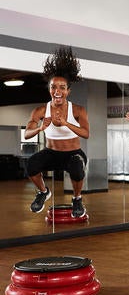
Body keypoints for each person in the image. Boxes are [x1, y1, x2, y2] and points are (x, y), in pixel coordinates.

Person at [25, 47, 90, 218]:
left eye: (62, 87)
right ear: (49, 89)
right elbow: (26, 134)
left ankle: (77, 199)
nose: (57, 91)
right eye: (53, 87)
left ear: (68, 91)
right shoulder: (40, 110)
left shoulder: (78, 110)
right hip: (51, 153)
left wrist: (66, 123)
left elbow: (86, 133)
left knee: (77, 167)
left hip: (73, 153)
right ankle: (43, 192)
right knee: (31, 164)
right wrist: (40, 128)